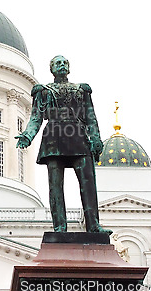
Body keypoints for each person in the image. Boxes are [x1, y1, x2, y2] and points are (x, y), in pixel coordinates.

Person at [16, 55, 111, 234]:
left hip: (78, 136)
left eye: (64, 63)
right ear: (52, 69)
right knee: (55, 186)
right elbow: (35, 117)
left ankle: (93, 225)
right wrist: (27, 136)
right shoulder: (43, 91)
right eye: (58, 63)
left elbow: (91, 117)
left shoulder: (81, 91)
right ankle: (60, 227)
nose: (61, 65)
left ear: (69, 68)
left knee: (88, 183)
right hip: (54, 138)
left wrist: (96, 138)